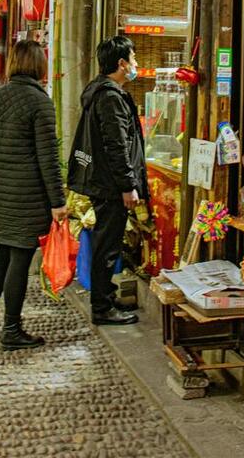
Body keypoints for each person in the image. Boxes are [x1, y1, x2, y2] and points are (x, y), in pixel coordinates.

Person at [0, 40, 67, 350]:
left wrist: (1, 179)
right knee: (20, 256)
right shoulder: (39, 102)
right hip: (29, 195)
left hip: (1, 192)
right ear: (39, 65)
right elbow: (48, 159)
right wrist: (58, 202)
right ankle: (12, 329)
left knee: (2, 251)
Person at [68, 36, 146, 326]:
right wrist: (128, 184)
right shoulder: (111, 96)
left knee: (106, 243)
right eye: (133, 58)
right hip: (111, 184)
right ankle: (102, 308)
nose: (136, 64)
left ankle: (106, 297)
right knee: (107, 246)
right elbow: (117, 145)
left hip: (102, 181)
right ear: (122, 63)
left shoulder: (98, 91)